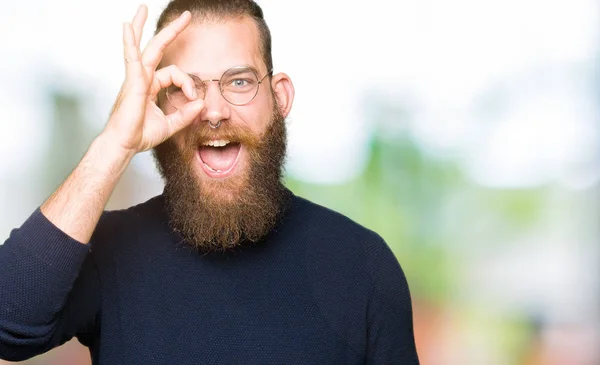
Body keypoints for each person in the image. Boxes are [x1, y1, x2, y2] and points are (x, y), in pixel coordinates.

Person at [0, 0, 420, 363]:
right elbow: (8, 322)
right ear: (156, 104)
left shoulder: (362, 265)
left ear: (280, 98)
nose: (214, 111)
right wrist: (115, 143)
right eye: (187, 86)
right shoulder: (107, 251)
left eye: (239, 81)